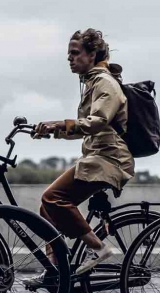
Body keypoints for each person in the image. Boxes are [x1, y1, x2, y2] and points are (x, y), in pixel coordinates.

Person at [23, 28, 135, 286]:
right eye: (68, 54)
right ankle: (55, 272)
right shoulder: (93, 82)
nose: (70, 58)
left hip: (109, 159)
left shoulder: (105, 82)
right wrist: (53, 130)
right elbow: (86, 127)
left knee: (52, 197)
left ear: (92, 54)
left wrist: (60, 124)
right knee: (47, 209)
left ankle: (98, 249)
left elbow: (97, 122)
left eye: (75, 53)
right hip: (99, 157)